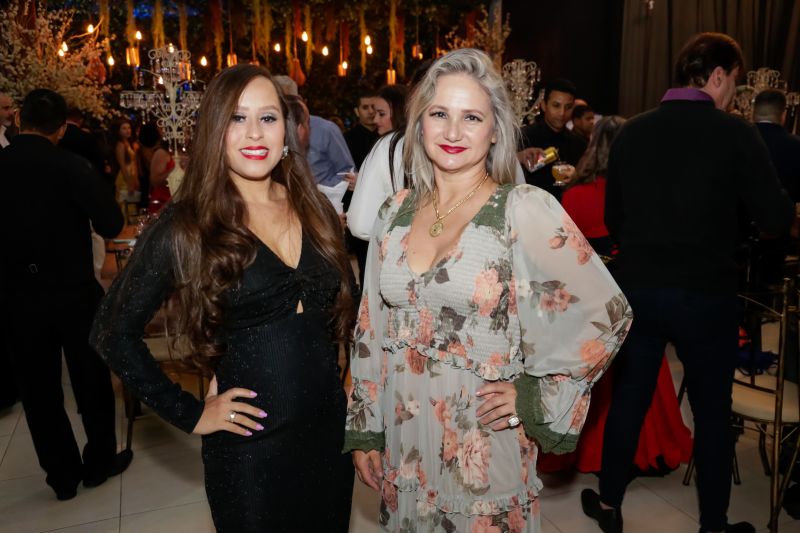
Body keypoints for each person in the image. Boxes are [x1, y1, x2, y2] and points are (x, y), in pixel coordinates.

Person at [344, 48, 631, 532]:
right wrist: (367, 428)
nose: (453, 132)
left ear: (495, 130)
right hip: (404, 436)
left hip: (482, 443)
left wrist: (534, 393)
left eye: (471, 117)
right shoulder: (394, 212)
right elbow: (371, 324)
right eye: (439, 114)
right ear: (419, 123)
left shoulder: (522, 209)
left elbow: (608, 312)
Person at [90, 64, 355, 532]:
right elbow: (112, 331)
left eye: (268, 117)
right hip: (250, 449)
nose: (254, 133)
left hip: (328, 436)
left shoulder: (313, 206)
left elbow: (343, 315)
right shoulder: (189, 224)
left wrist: (353, 386)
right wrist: (190, 413)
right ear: (215, 129)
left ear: (287, 129)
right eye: (237, 118)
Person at [582, 33, 794, 533]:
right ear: (718, 75)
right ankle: (713, 525)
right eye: (734, 81)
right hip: (705, 291)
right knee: (712, 413)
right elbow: (775, 217)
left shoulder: (633, 131)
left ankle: (610, 506)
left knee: (629, 398)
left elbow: (615, 218)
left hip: (641, 288)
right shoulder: (736, 133)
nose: (734, 93)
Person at [539, 115, 693, 475]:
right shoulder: (645, 194)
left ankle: (586, 448)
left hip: (587, 305)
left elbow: (561, 258)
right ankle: (645, 446)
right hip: (633, 295)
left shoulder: (574, 195)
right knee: (642, 373)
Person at [0, 88, 129, 501]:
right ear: (60, 128)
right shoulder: (70, 165)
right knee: (91, 379)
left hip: (18, 296)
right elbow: (111, 224)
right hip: (73, 290)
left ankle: (62, 476)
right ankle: (99, 461)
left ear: (19, 119)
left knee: (38, 390)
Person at [517, 79, 587, 198]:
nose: (562, 113)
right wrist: (519, 157)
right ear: (544, 105)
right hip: (531, 204)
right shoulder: (524, 136)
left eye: (568, 107)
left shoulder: (579, 143)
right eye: (556, 105)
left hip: (566, 205)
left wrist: (577, 177)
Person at [136, 123, 172, 213]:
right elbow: (154, 180)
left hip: (160, 195)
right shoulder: (158, 152)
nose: (163, 132)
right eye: (160, 129)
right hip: (160, 198)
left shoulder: (146, 150)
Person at [344, 89, 379, 170]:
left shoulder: (387, 135)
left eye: (374, 107)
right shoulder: (347, 139)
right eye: (365, 107)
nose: (371, 111)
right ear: (357, 111)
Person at [112, 118, 139, 203]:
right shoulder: (120, 145)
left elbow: (133, 162)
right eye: (124, 128)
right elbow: (122, 165)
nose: (128, 130)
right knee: (126, 204)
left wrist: (135, 179)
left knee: (132, 202)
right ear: (118, 131)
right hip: (125, 177)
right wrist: (129, 183)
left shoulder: (128, 143)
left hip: (131, 174)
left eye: (129, 128)